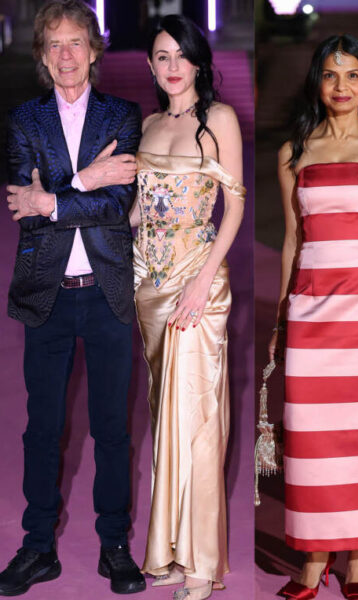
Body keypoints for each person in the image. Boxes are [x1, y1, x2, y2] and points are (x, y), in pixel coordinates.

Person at [0, 0, 145, 596]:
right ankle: (38, 548)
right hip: (47, 295)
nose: (66, 55)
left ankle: (115, 545)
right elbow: (26, 211)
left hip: (108, 293)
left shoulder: (123, 115)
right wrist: (86, 181)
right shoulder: (22, 120)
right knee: (43, 428)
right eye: (54, 44)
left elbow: (118, 206)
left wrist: (55, 198)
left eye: (75, 42)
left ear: (93, 48)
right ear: (42, 54)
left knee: (111, 429)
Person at [269, 34, 358, 600]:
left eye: (352, 75)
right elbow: (291, 240)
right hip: (313, 310)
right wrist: (282, 316)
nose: (342, 86)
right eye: (331, 74)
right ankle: (313, 555)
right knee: (312, 436)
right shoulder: (293, 152)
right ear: (317, 82)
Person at [129, 15, 245, 600]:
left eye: (181, 55)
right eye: (161, 56)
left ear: (198, 61)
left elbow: (234, 207)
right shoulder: (147, 125)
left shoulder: (218, 119)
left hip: (198, 283)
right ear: (150, 66)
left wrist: (201, 284)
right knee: (165, 420)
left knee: (197, 419)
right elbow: (138, 210)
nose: (172, 67)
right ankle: (171, 551)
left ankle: (201, 563)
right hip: (147, 286)